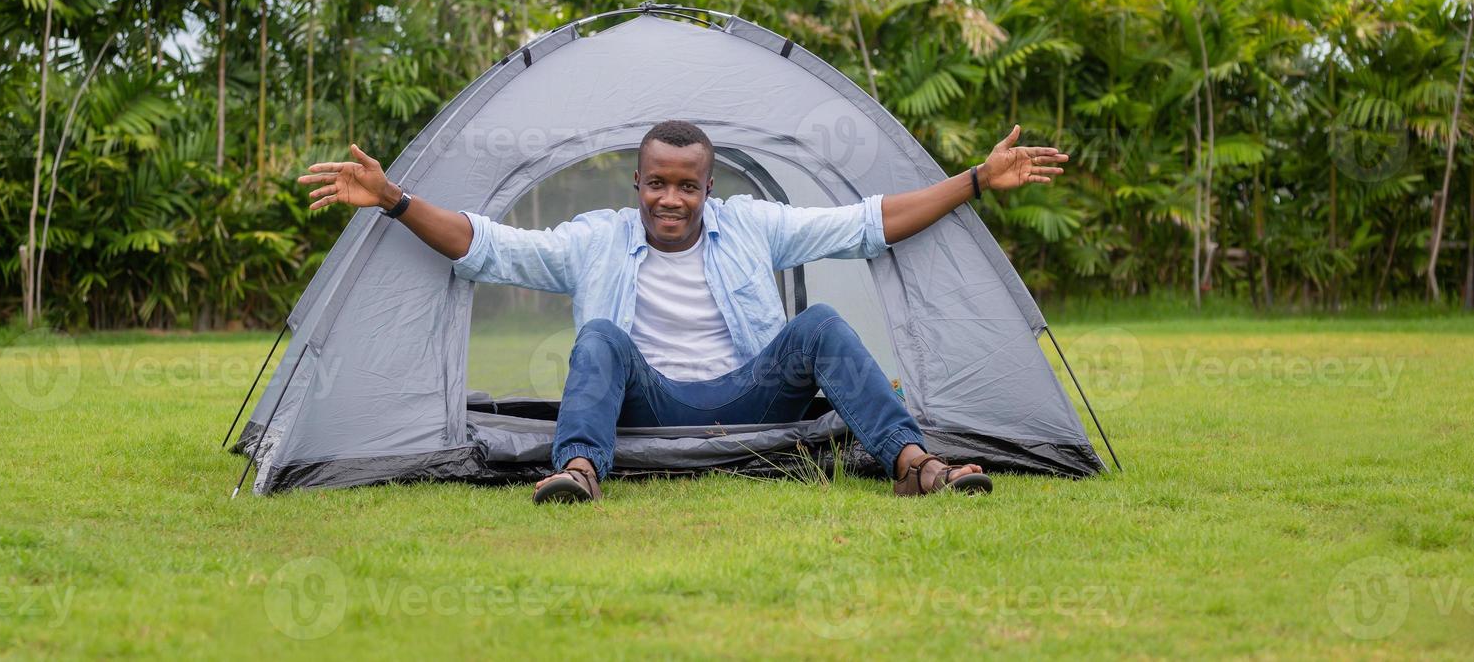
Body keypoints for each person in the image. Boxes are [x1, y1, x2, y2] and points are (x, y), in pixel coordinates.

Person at [298, 120, 1066, 504]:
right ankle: (577, 470)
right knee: (599, 336)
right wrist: (395, 200)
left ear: (706, 187)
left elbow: (867, 222)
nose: (671, 198)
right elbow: (485, 246)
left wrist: (973, 178)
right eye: (657, 183)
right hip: (648, 399)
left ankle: (914, 465)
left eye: (687, 186)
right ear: (636, 183)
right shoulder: (593, 240)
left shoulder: (752, 224)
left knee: (821, 325)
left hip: (751, 391)